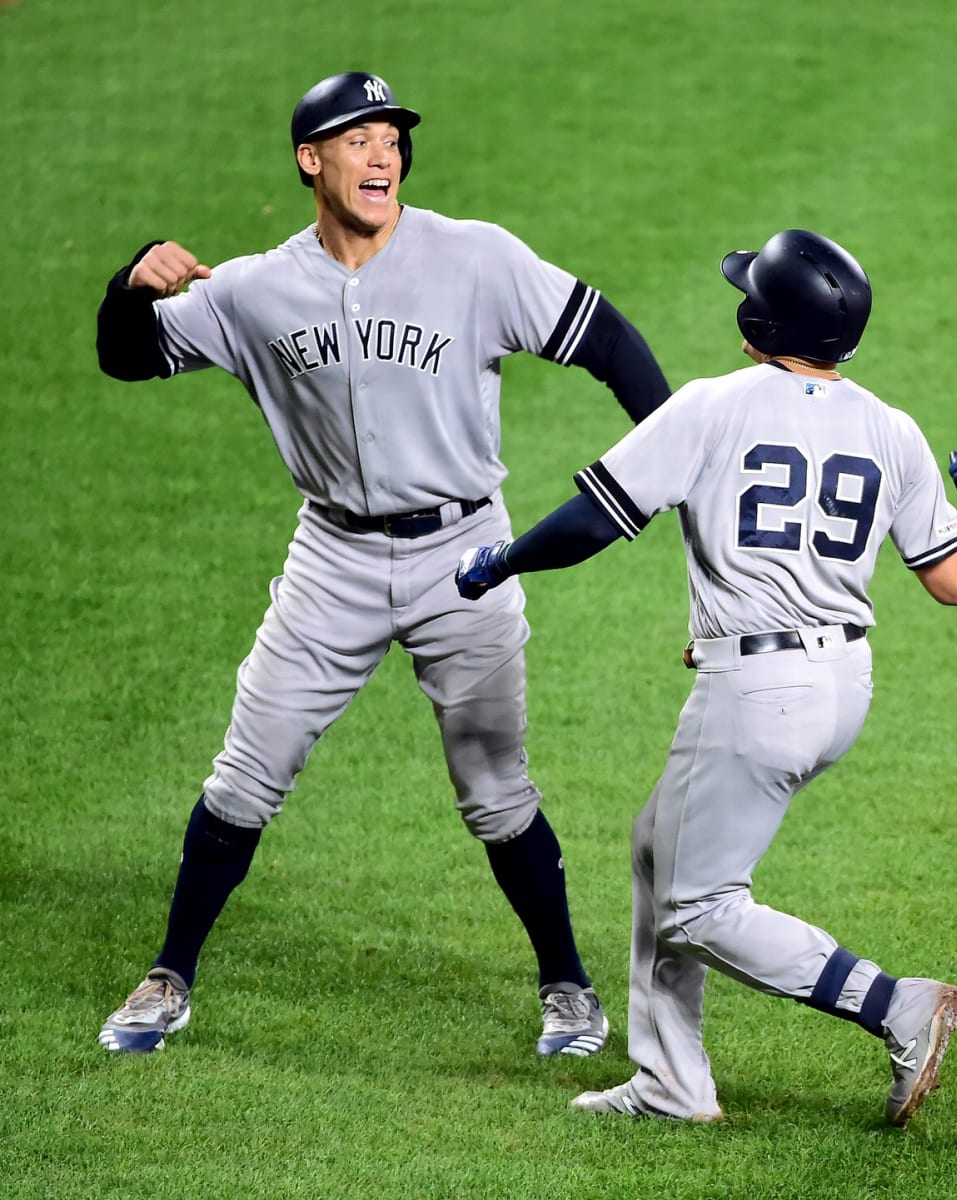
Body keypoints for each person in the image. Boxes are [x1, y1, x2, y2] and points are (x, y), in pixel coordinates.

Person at [94, 71, 674, 1057]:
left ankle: (567, 985)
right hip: (333, 557)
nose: (382, 155)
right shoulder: (253, 289)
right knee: (247, 771)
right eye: (356, 138)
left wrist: (668, 453)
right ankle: (168, 975)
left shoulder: (475, 258)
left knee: (496, 787)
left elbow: (605, 339)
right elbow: (127, 356)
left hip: (466, 553)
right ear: (309, 160)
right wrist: (127, 286)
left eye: (392, 138)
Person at [454, 228, 957, 1126]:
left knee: (699, 903)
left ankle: (897, 1005)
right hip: (843, 685)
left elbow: (593, 522)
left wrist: (499, 561)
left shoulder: (714, 406)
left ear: (760, 319)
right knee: (655, 848)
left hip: (759, 695)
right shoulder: (892, 428)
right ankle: (671, 1081)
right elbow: (956, 578)